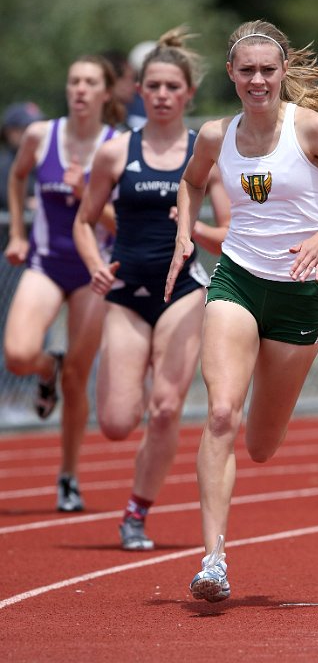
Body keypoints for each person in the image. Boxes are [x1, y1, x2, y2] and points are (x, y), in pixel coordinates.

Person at [165, 19, 318, 602]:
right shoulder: (214, 134)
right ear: (232, 75)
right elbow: (189, 184)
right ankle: (213, 560)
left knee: (260, 443)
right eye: (246, 71)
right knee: (219, 416)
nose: (257, 80)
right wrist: (186, 235)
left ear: (283, 72)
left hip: (298, 297)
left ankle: (275, 392)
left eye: (267, 69)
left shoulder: (311, 128)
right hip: (236, 279)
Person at [73, 27, 230, 551]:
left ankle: (136, 513)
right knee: (118, 423)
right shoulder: (116, 153)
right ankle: (132, 371)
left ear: (188, 94)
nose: (162, 95)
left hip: (183, 289)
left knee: (165, 410)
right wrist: (95, 262)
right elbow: (84, 220)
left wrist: (192, 228)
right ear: (139, 91)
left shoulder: (205, 151)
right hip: (126, 291)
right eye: (154, 86)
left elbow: (227, 232)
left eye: (172, 86)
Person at [3, 55, 121, 512]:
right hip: (47, 262)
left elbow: (119, 218)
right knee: (16, 356)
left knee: (77, 378)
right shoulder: (41, 135)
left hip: (95, 267)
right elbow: (17, 178)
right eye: (74, 81)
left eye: (91, 82)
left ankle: (68, 476)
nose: (80, 89)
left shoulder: (117, 145)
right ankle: (42, 368)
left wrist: (82, 195)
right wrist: (17, 232)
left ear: (105, 93)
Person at [0, 101, 45, 210]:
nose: (36, 132)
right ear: (10, 132)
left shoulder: (44, 162)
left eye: (40, 126)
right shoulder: (3, 166)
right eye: (28, 128)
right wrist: (27, 204)